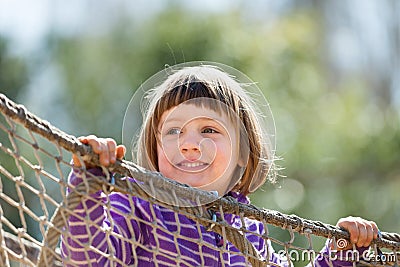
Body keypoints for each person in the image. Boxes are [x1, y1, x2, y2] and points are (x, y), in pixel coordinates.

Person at [61, 63, 378, 266]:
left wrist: (339, 253)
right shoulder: (139, 206)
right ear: (155, 150)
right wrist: (90, 184)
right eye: (173, 131)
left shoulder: (248, 224)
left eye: (209, 130)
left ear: (242, 153)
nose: (188, 144)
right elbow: (88, 258)